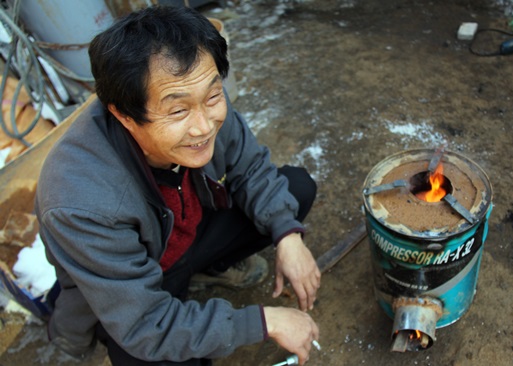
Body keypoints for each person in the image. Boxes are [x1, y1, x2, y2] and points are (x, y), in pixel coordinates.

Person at [35, 5, 320, 366]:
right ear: (124, 115)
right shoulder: (79, 202)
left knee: (295, 188)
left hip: (186, 237)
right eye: (178, 111)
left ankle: (201, 275)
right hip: (134, 284)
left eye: (213, 96)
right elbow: (145, 323)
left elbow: (249, 165)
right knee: (158, 351)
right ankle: (180, 296)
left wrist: (288, 236)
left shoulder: (199, 95)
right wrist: (264, 321)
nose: (204, 126)